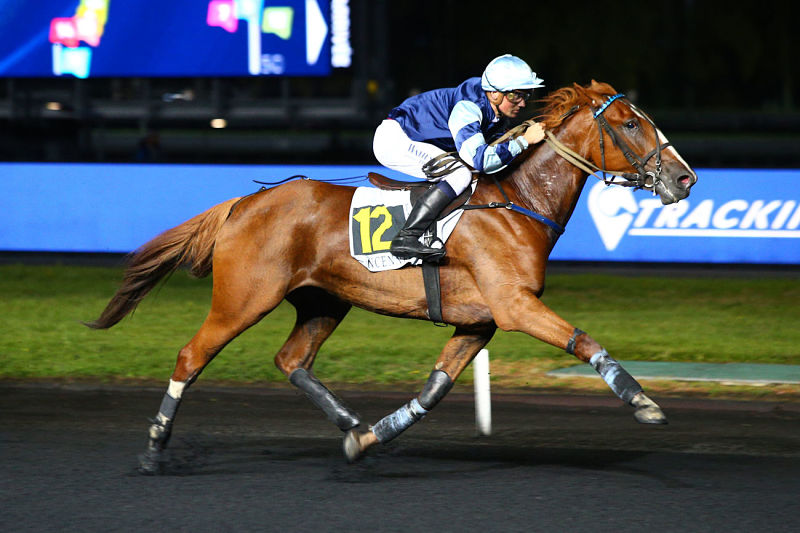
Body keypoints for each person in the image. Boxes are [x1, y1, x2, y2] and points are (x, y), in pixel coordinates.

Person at [373, 54, 547, 261]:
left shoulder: (496, 115)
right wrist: (524, 141)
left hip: (416, 138)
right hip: (396, 139)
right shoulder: (468, 107)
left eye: (525, 95)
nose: (521, 103)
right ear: (493, 94)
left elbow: (499, 155)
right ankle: (406, 238)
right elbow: (481, 161)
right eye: (515, 96)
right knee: (459, 175)